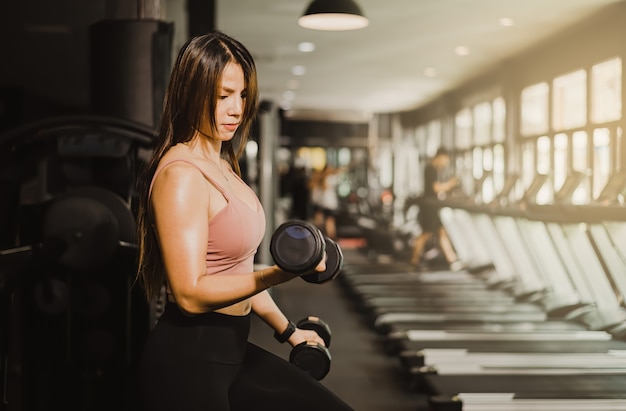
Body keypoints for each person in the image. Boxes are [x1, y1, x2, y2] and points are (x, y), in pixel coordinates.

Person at [135, 31, 353, 411]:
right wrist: (279, 274)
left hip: (232, 348)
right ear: (191, 92)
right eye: (222, 96)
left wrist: (289, 332)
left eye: (243, 95)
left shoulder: (223, 165)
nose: (236, 109)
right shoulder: (182, 175)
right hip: (190, 361)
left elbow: (238, 270)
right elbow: (188, 294)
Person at [409, 147, 460, 270]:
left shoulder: (433, 169)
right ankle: (414, 260)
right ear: (440, 156)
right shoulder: (431, 169)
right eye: (445, 160)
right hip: (429, 207)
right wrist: (451, 184)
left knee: (442, 231)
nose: (445, 163)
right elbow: (436, 188)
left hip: (432, 206)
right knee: (425, 233)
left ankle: (452, 260)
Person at [309, 165, 342, 240]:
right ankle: (330, 237)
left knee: (322, 221)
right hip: (329, 204)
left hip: (322, 203)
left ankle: (322, 236)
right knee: (329, 221)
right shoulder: (329, 179)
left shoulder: (320, 180)